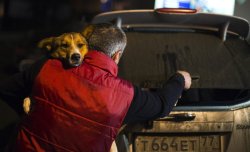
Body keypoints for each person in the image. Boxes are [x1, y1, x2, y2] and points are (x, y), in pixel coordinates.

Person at [0, 23, 191, 152]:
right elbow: (162, 105)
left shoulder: (47, 67)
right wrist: (180, 79)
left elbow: (6, 89)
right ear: (117, 56)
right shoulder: (125, 95)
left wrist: (31, 112)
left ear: (85, 47)